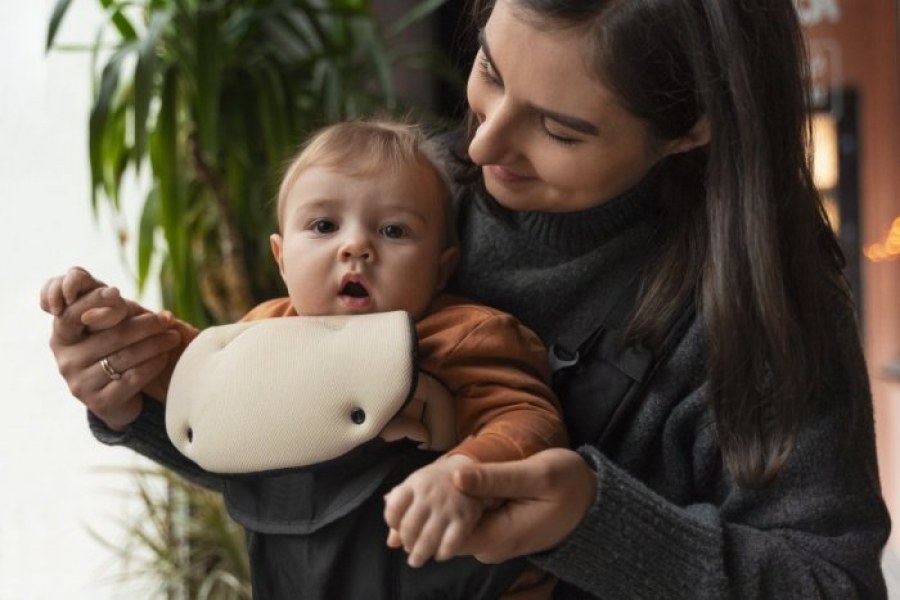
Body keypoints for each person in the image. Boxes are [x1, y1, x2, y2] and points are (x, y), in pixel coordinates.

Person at [43, 0, 891, 598]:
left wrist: (594, 522)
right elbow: (312, 464)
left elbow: (830, 583)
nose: (481, 142)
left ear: (693, 125)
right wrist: (142, 394)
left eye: (559, 129)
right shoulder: (402, 197)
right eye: (489, 69)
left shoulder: (761, 312)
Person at [42, 119, 567, 599]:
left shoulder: (464, 334)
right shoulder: (265, 332)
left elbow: (527, 422)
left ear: (440, 267)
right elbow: (193, 375)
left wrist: (465, 471)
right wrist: (116, 324)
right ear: (282, 258)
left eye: (393, 231)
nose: (356, 246)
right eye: (323, 226)